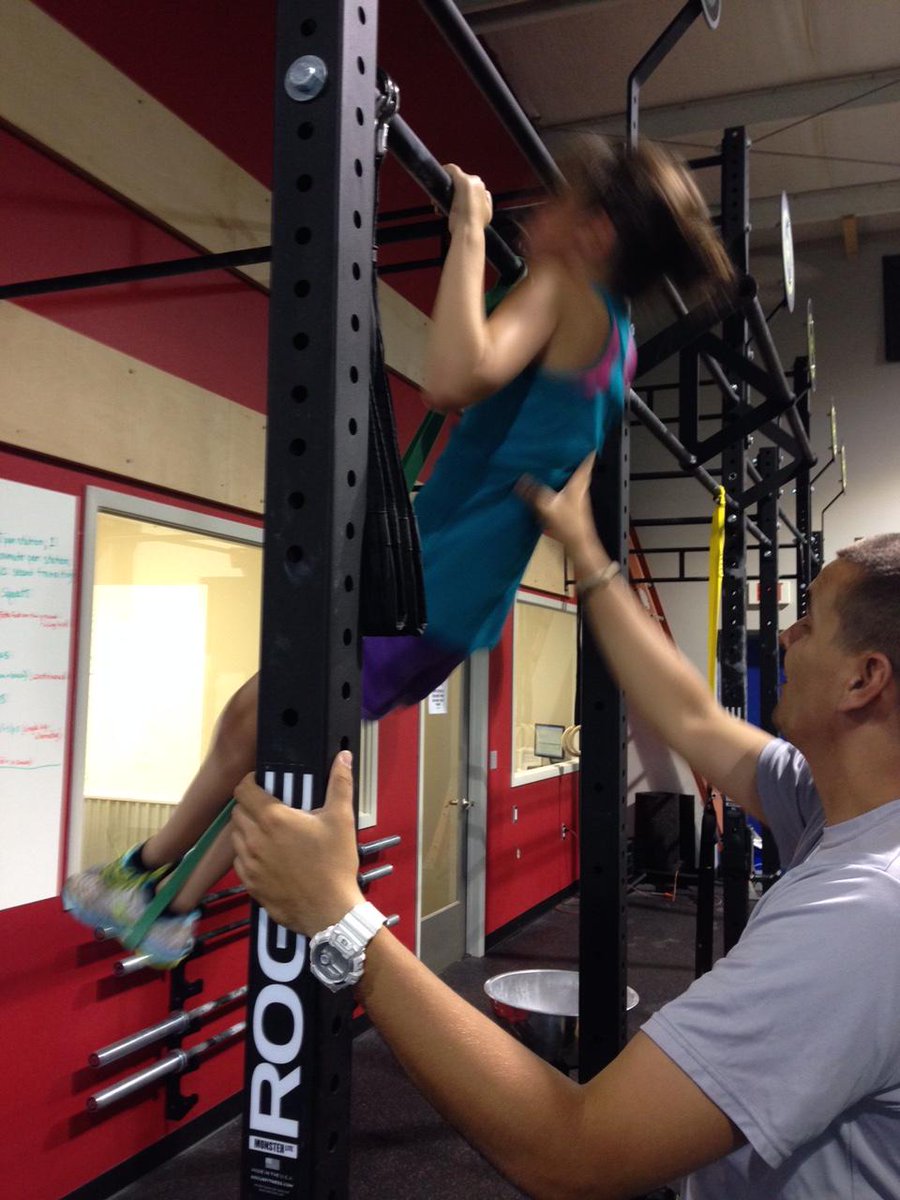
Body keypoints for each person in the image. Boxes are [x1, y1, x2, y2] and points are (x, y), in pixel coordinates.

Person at [62, 134, 734, 969]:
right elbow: (577, 458)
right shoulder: (619, 341)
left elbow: (452, 377)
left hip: (429, 588)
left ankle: (149, 878)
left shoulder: (563, 286)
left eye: (558, 201)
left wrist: (467, 231)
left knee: (258, 717)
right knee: (283, 735)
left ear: (595, 233)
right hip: (456, 603)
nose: (537, 211)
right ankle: (172, 905)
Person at [233, 463, 900, 1199]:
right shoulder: (837, 803)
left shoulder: (865, 916)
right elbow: (691, 718)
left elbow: (572, 1153)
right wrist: (587, 554)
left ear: (862, 680)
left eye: (809, 618)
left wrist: (341, 920)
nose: (786, 634)